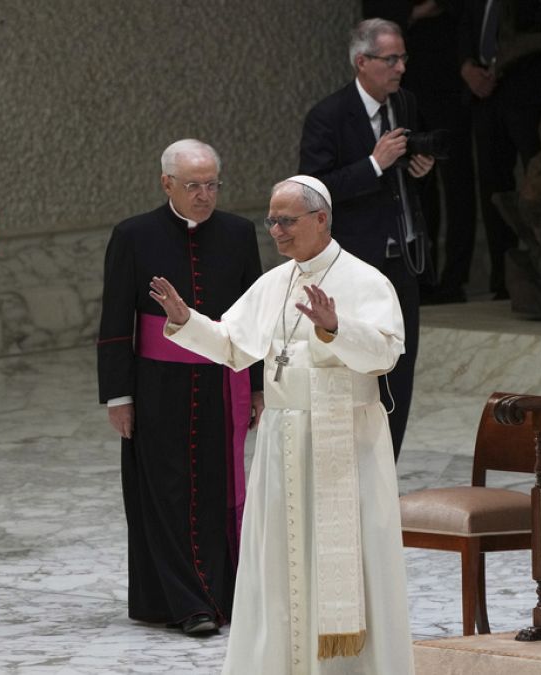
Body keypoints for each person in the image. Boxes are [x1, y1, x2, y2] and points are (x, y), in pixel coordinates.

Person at [149, 176, 414, 673]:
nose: (275, 231)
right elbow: (233, 346)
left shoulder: (366, 281)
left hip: (345, 442)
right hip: (283, 443)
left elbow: (385, 355)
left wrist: (335, 327)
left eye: (286, 220)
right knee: (281, 562)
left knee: (349, 559)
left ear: (321, 219)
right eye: (271, 220)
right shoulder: (275, 283)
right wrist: (187, 321)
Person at [96, 140, 264, 635]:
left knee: (215, 490)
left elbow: (252, 319)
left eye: (212, 185)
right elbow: (115, 321)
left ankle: (221, 594)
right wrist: (119, 396)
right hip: (156, 386)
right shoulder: (133, 235)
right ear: (166, 183)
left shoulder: (238, 233)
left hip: (221, 381)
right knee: (164, 492)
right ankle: (185, 603)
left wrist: (257, 388)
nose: (204, 195)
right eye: (193, 185)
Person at [299, 17, 436, 459]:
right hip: (356, 263)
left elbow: (403, 172)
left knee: (400, 363)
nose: (401, 68)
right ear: (362, 61)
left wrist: (419, 169)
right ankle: (351, 464)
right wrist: (374, 165)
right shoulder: (328, 116)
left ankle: (386, 466)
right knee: (357, 366)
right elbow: (313, 190)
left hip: (403, 257)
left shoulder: (405, 103)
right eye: (390, 59)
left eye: (403, 58)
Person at [363, 0, 477, 304]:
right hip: (404, 86)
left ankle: (455, 277)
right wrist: (412, 13)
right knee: (414, 180)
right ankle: (422, 275)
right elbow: (373, 19)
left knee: (456, 182)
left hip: (448, 79)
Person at [458, 0, 541, 299]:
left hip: (528, 92)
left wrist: (503, 63)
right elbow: (465, 25)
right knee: (493, 187)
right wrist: (467, 67)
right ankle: (503, 278)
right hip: (484, 98)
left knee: (539, 179)